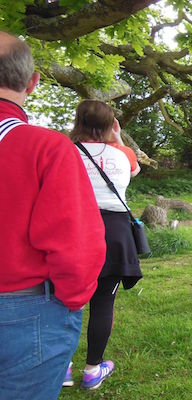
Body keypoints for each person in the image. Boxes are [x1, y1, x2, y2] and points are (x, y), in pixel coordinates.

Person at [0, 32, 106, 399]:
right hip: (22, 308)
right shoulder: (46, 148)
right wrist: (72, 300)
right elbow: (76, 244)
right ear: (33, 82)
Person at [70, 100, 142, 389]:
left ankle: (62, 368)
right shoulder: (124, 154)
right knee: (103, 302)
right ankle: (92, 370)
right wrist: (118, 138)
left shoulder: (66, 151)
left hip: (75, 229)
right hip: (113, 233)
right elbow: (134, 172)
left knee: (66, 300)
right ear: (112, 125)